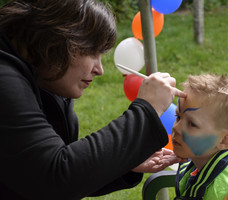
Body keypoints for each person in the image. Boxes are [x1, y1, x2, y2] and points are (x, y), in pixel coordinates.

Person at [0, 0, 187, 199]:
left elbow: (42, 176)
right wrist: (146, 110)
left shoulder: (44, 77)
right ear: (56, 39)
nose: (99, 69)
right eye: (91, 52)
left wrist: (124, 161)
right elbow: (55, 176)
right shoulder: (4, 79)